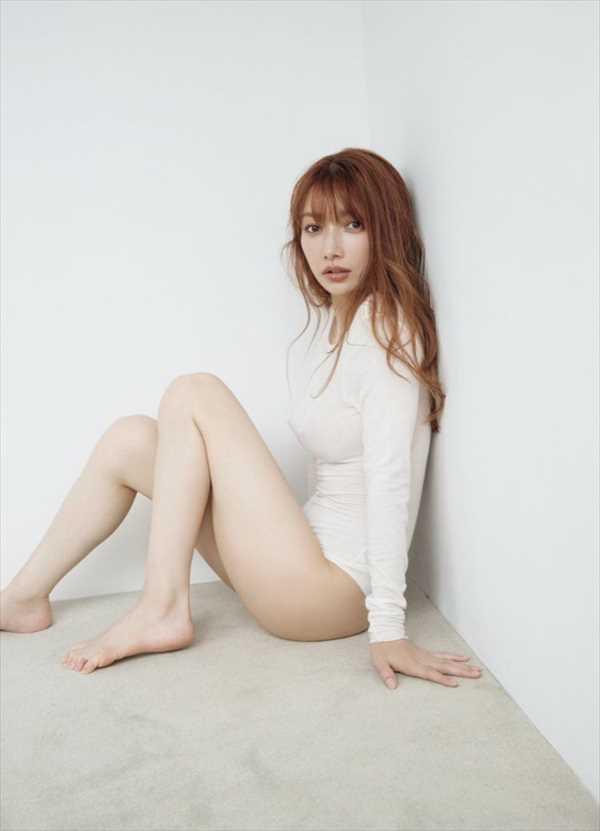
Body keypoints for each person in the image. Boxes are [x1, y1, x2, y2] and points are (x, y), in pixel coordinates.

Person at [0, 148, 481, 689]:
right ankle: (22, 599)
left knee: (194, 392)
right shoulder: (334, 327)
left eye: (353, 225)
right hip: (294, 562)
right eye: (314, 228)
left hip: (332, 593)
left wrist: (388, 628)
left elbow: (392, 482)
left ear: (386, 230)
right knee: (130, 439)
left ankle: (162, 607)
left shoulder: (386, 333)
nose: (331, 248)